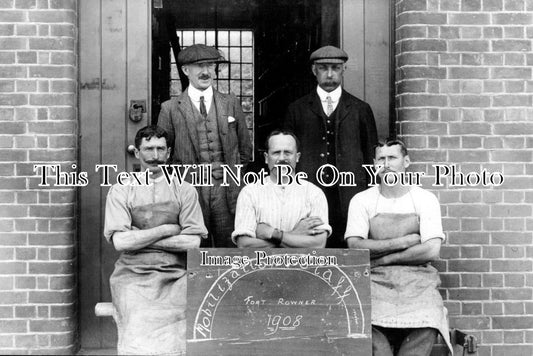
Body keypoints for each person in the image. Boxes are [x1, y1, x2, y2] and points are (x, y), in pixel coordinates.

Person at [104, 125, 207, 355]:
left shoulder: (185, 189)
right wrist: (168, 229)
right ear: (137, 153)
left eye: (161, 149)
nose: (155, 156)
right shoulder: (121, 190)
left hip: (176, 272)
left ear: (169, 153)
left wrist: (138, 237)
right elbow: (121, 243)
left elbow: (193, 243)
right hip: (132, 274)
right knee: (138, 316)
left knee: (187, 313)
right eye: (148, 149)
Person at [345, 139, 452, 356]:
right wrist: (403, 242)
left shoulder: (425, 199)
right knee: (363, 320)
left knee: (430, 317)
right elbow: (355, 246)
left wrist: (384, 257)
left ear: (406, 161)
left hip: (417, 281)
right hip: (373, 280)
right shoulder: (362, 200)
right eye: (381, 159)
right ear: (374, 164)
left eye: (392, 158)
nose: (386, 164)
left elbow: (431, 250)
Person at [158, 44, 252, 247]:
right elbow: (161, 157)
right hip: (189, 192)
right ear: (185, 70)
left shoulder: (230, 103)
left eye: (210, 65)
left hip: (227, 191)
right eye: (199, 66)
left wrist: (230, 176)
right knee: (194, 250)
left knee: (230, 249)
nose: (206, 71)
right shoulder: (170, 108)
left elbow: (245, 150)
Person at [284, 45, 378, 248]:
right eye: (323, 68)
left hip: (349, 192)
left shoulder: (361, 109)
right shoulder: (297, 109)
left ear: (344, 69)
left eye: (335, 68)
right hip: (309, 190)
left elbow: (372, 156)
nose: (329, 74)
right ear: (313, 70)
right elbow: (287, 156)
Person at [232, 130, 331, 248]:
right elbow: (244, 245)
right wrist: (294, 235)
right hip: (261, 265)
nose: (282, 158)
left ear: (297, 157)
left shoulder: (314, 193)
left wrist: (273, 233)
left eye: (288, 153)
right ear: (266, 158)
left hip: (303, 266)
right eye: (276, 153)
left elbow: (318, 244)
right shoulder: (250, 193)